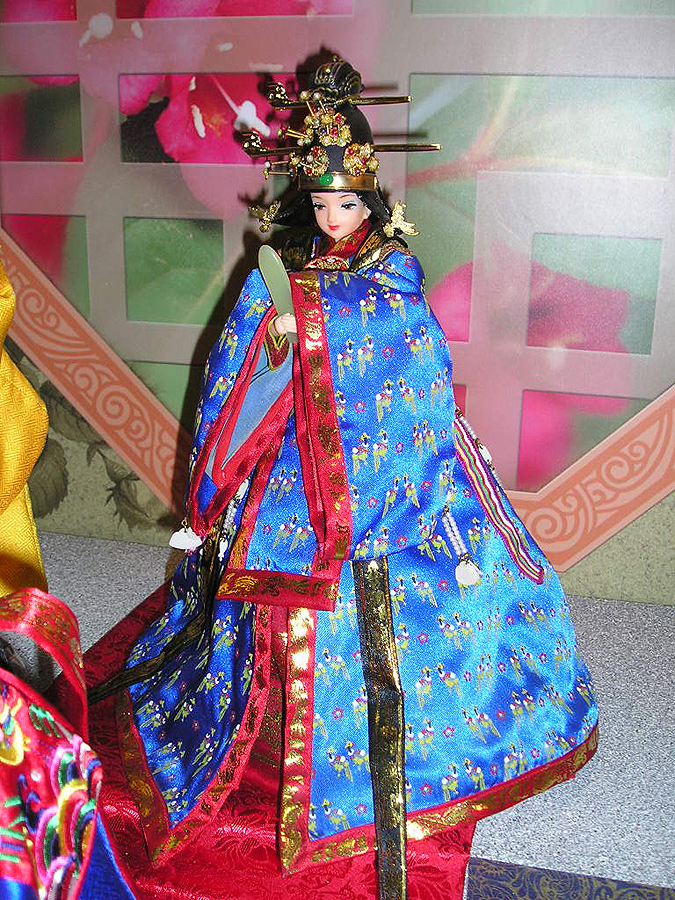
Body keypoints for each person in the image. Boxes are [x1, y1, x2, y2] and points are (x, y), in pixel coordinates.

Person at [93, 57, 598, 900]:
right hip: (293, 454)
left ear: (372, 203)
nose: (333, 219)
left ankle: (403, 746)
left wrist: (314, 321)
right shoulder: (288, 261)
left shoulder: (391, 268)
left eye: (348, 205)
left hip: (391, 461)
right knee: (260, 590)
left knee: (417, 590)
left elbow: (406, 346)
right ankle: (256, 728)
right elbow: (244, 353)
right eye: (321, 205)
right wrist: (277, 333)